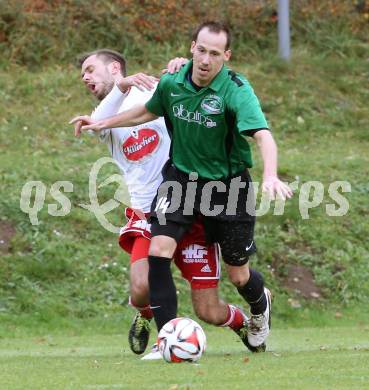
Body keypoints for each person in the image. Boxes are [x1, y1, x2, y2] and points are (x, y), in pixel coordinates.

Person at [73, 48, 260, 359]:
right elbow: (101, 119)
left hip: (189, 205)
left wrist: (184, 66)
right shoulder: (103, 117)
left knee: (209, 310)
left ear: (115, 67)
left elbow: (195, 88)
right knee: (141, 286)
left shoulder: (159, 91)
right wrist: (121, 87)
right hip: (147, 212)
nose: (85, 77)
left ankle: (240, 321)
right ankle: (154, 322)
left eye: (91, 69)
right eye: (82, 74)